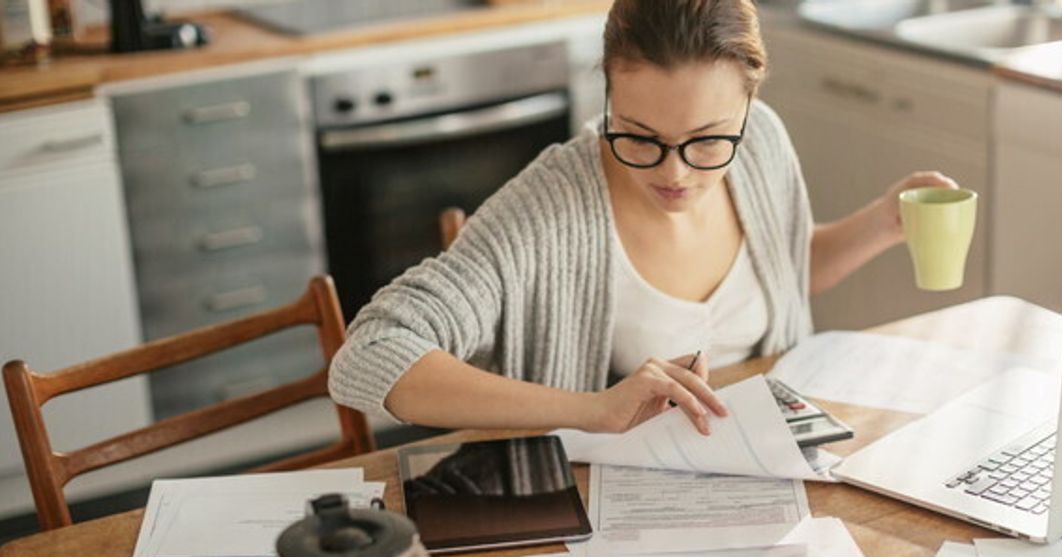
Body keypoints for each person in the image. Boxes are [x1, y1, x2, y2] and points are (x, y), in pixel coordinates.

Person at [329, 0, 956, 436]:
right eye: (639, 135)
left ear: (749, 102)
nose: (675, 174)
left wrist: (883, 222)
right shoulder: (550, 209)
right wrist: (593, 409)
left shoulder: (761, 141)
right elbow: (369, 356)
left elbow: (786, 268)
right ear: (607, 94)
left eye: (708, 140)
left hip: (767, 465)